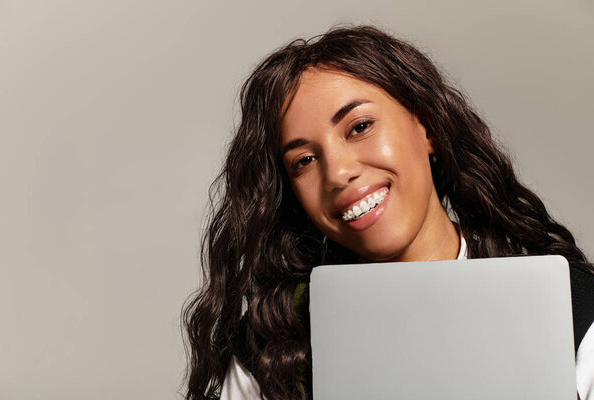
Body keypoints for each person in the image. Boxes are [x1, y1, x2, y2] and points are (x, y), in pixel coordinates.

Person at [181, 25, 594, 400]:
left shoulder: (577, 316)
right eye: (304, 160)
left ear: (428, 126)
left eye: (360, 127)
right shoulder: (271, 344)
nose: (338, 173)